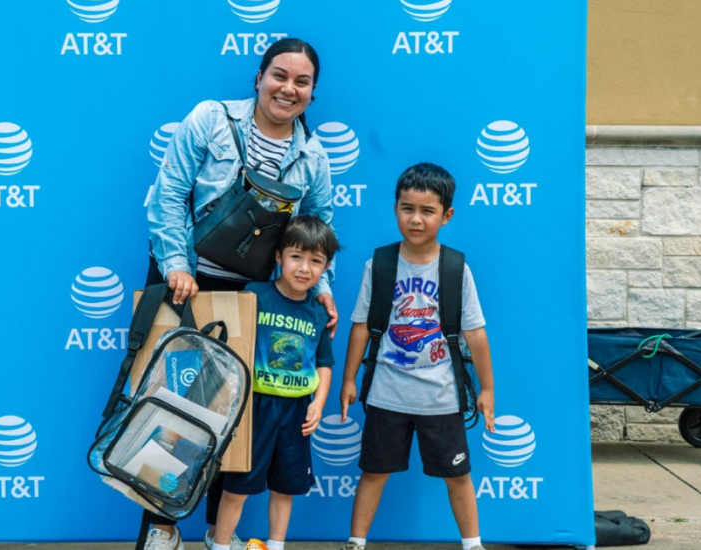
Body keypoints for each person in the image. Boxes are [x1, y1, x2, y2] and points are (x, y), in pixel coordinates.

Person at [143, 38, 337, 550]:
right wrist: (178, 266)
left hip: (250, 296)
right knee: (174, 409)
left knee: (230, 418)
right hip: (188, 282)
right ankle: (161, 528)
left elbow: (318, 227)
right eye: (279, 75)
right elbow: (167, 193)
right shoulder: (211, 119)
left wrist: (320, 286)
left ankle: (216, 535)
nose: (288, 88)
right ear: (258, 77)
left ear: (313, 94)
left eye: (301, 82)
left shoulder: (313, 157)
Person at [338, 163, 497, 550]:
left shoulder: (456, 268)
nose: (416, 219)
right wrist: (347, 380)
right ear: (395, 209)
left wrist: (487, 388)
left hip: (441, 396)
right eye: (407, 208)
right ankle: (355, 543)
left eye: (428, 211)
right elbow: (361, 325)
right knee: (373, 472)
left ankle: (473, 544)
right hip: (386, 393)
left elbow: (475, 332)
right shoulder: (380, 264)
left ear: (447, 216)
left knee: (458, 475)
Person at [214, 215, 338, 550]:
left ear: (326, 267)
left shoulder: (317, 313)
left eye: (316, 261)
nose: (304, 268)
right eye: (296, 256)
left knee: (286, 488)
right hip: (254, 407)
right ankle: (221, 544)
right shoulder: (254, 295)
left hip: (296, 412)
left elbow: (324, 364)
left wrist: (318, 402)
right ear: (279, 256)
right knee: (237, 487)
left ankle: (277, 544)